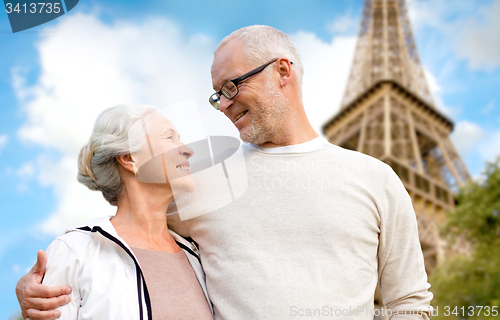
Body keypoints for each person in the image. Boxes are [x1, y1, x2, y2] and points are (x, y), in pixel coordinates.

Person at [17, 26, 433, 320]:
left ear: (282, 72)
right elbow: (129, 234)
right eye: (217, 95)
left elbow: (410, 301)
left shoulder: (376, 179)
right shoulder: (202, 184)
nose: (224, 105)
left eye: (232, 87)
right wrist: (40, 288)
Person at [17, 104, 214, 320]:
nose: (188, 149)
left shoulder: (197, 255)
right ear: (130, 159)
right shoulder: (76, 251)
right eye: (169, 138)